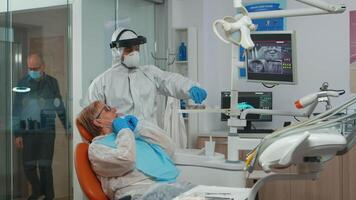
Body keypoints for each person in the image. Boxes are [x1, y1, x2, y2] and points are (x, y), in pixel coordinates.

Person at [88, 28, 207, 125]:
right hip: (119, 143)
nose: (134, 53)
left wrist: (190, 87)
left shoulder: (149, 73)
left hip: (150, 139)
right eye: (129, 50)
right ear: (115, 51)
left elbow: (170, 80)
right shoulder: (101, 84)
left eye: (137, 49)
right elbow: (94, 121)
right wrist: (115, 125)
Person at [77, 101, 194, 200]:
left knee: (201, 192)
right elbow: (126, 160)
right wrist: (124, 130)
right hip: (137, 194)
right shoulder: (97, 148)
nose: (114, 109)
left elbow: (168, 148)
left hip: (165, 186)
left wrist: (140, 128)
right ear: (98, 122)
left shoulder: (129, 136)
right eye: (107, 109)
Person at [12, 53, 68, 200]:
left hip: (47, 131)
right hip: (28, 130)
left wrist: (67, 126)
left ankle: (49, 196)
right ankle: (37, 192)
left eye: (35, 68)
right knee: (28, 167)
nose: (32, 70)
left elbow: (59, 106)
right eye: (29, 68)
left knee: (45, 167)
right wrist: (17, 134)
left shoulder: (52, 82)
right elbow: (16, 110)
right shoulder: (22, 83)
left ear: (43, 66)